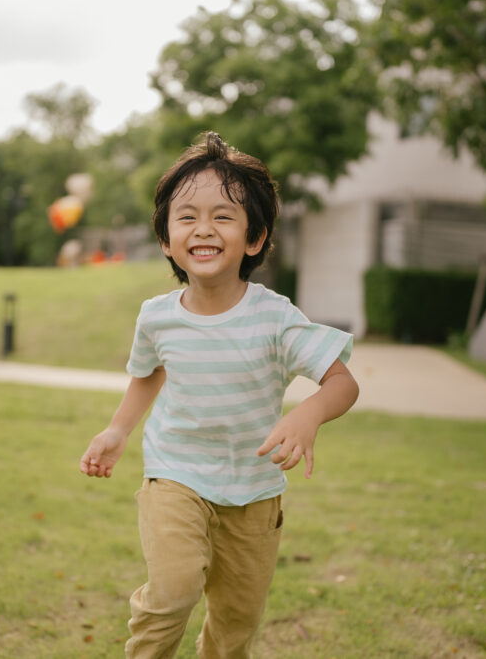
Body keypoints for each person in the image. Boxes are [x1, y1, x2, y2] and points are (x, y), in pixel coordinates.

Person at [79, 131, 360, 658]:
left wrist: (308, 416)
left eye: (224, 216)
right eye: (186, 217)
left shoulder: (274, 317)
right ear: (166, 239)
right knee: (172, 590)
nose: (203, 228)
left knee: (235, 624)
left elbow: (342, 382)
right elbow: (148, 374)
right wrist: (118, 430)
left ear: (254, 238)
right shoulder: (157, 317)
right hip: (176, 474)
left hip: (254, 493)